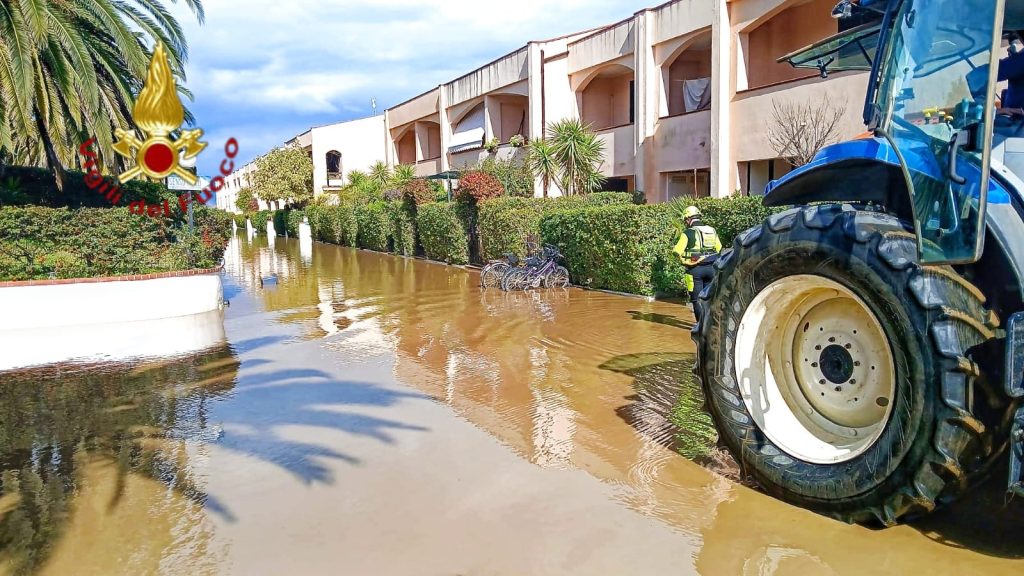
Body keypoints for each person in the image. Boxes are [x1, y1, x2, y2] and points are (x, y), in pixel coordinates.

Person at [673, 206, 722, 318]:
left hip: (695, 271)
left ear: (688, 219)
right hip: (712, 269)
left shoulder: (688, 233)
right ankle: (708, 326)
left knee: (696, 300)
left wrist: (683, 260)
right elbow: (719, 247)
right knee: (708, 298)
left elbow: (676, 251)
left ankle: (699, 328)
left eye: (686, 220)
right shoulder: (712, 230)